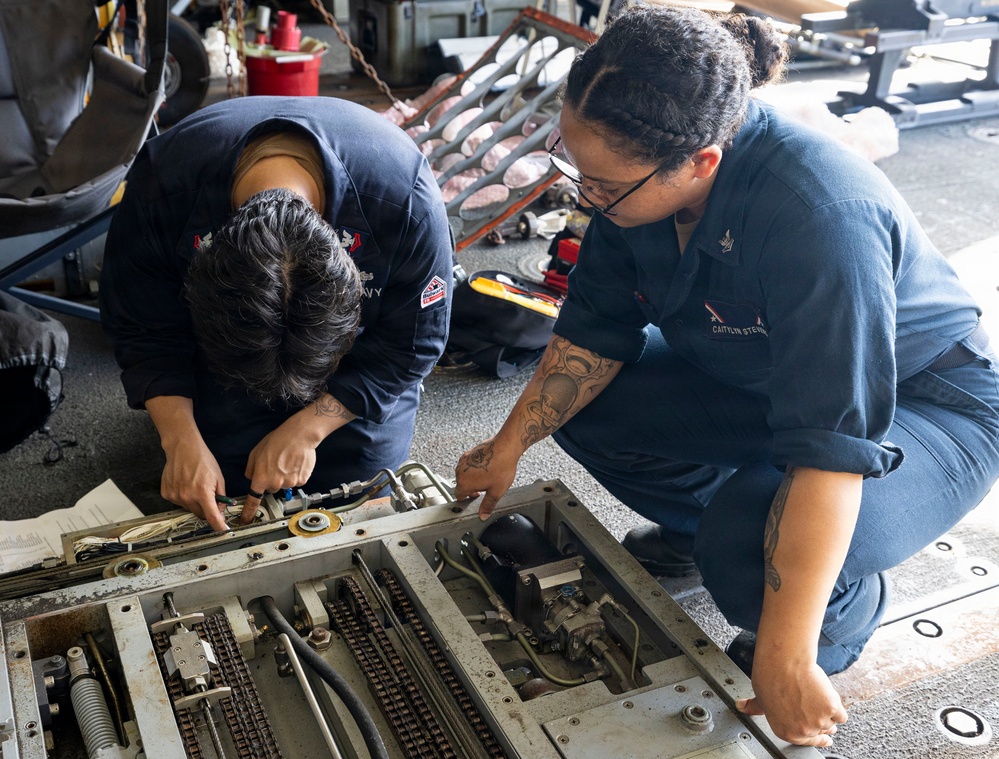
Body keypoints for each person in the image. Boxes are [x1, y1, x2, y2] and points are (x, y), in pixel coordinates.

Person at [454, 6, 999, 749]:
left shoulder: (819, 212)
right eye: (573, 167)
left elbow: (832, 447)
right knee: (587, 409)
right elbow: (588, 340)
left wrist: (783, 650)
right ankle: (700, 532)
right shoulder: (633, 191)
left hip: (925, 401)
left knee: (751, 547)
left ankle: (837, 617)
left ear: (700, 161)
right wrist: (506, 443)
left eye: (603, 185)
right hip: (766, 380)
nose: (585, 197)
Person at [101, 96, 454, 533]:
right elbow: (142, 328)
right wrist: (179, 440)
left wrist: (311, 427)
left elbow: (413, 344)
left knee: (361, 496)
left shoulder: (405, 200)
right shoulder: (162, 187)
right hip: (225, 370)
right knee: (220, 494)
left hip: (356, 367)